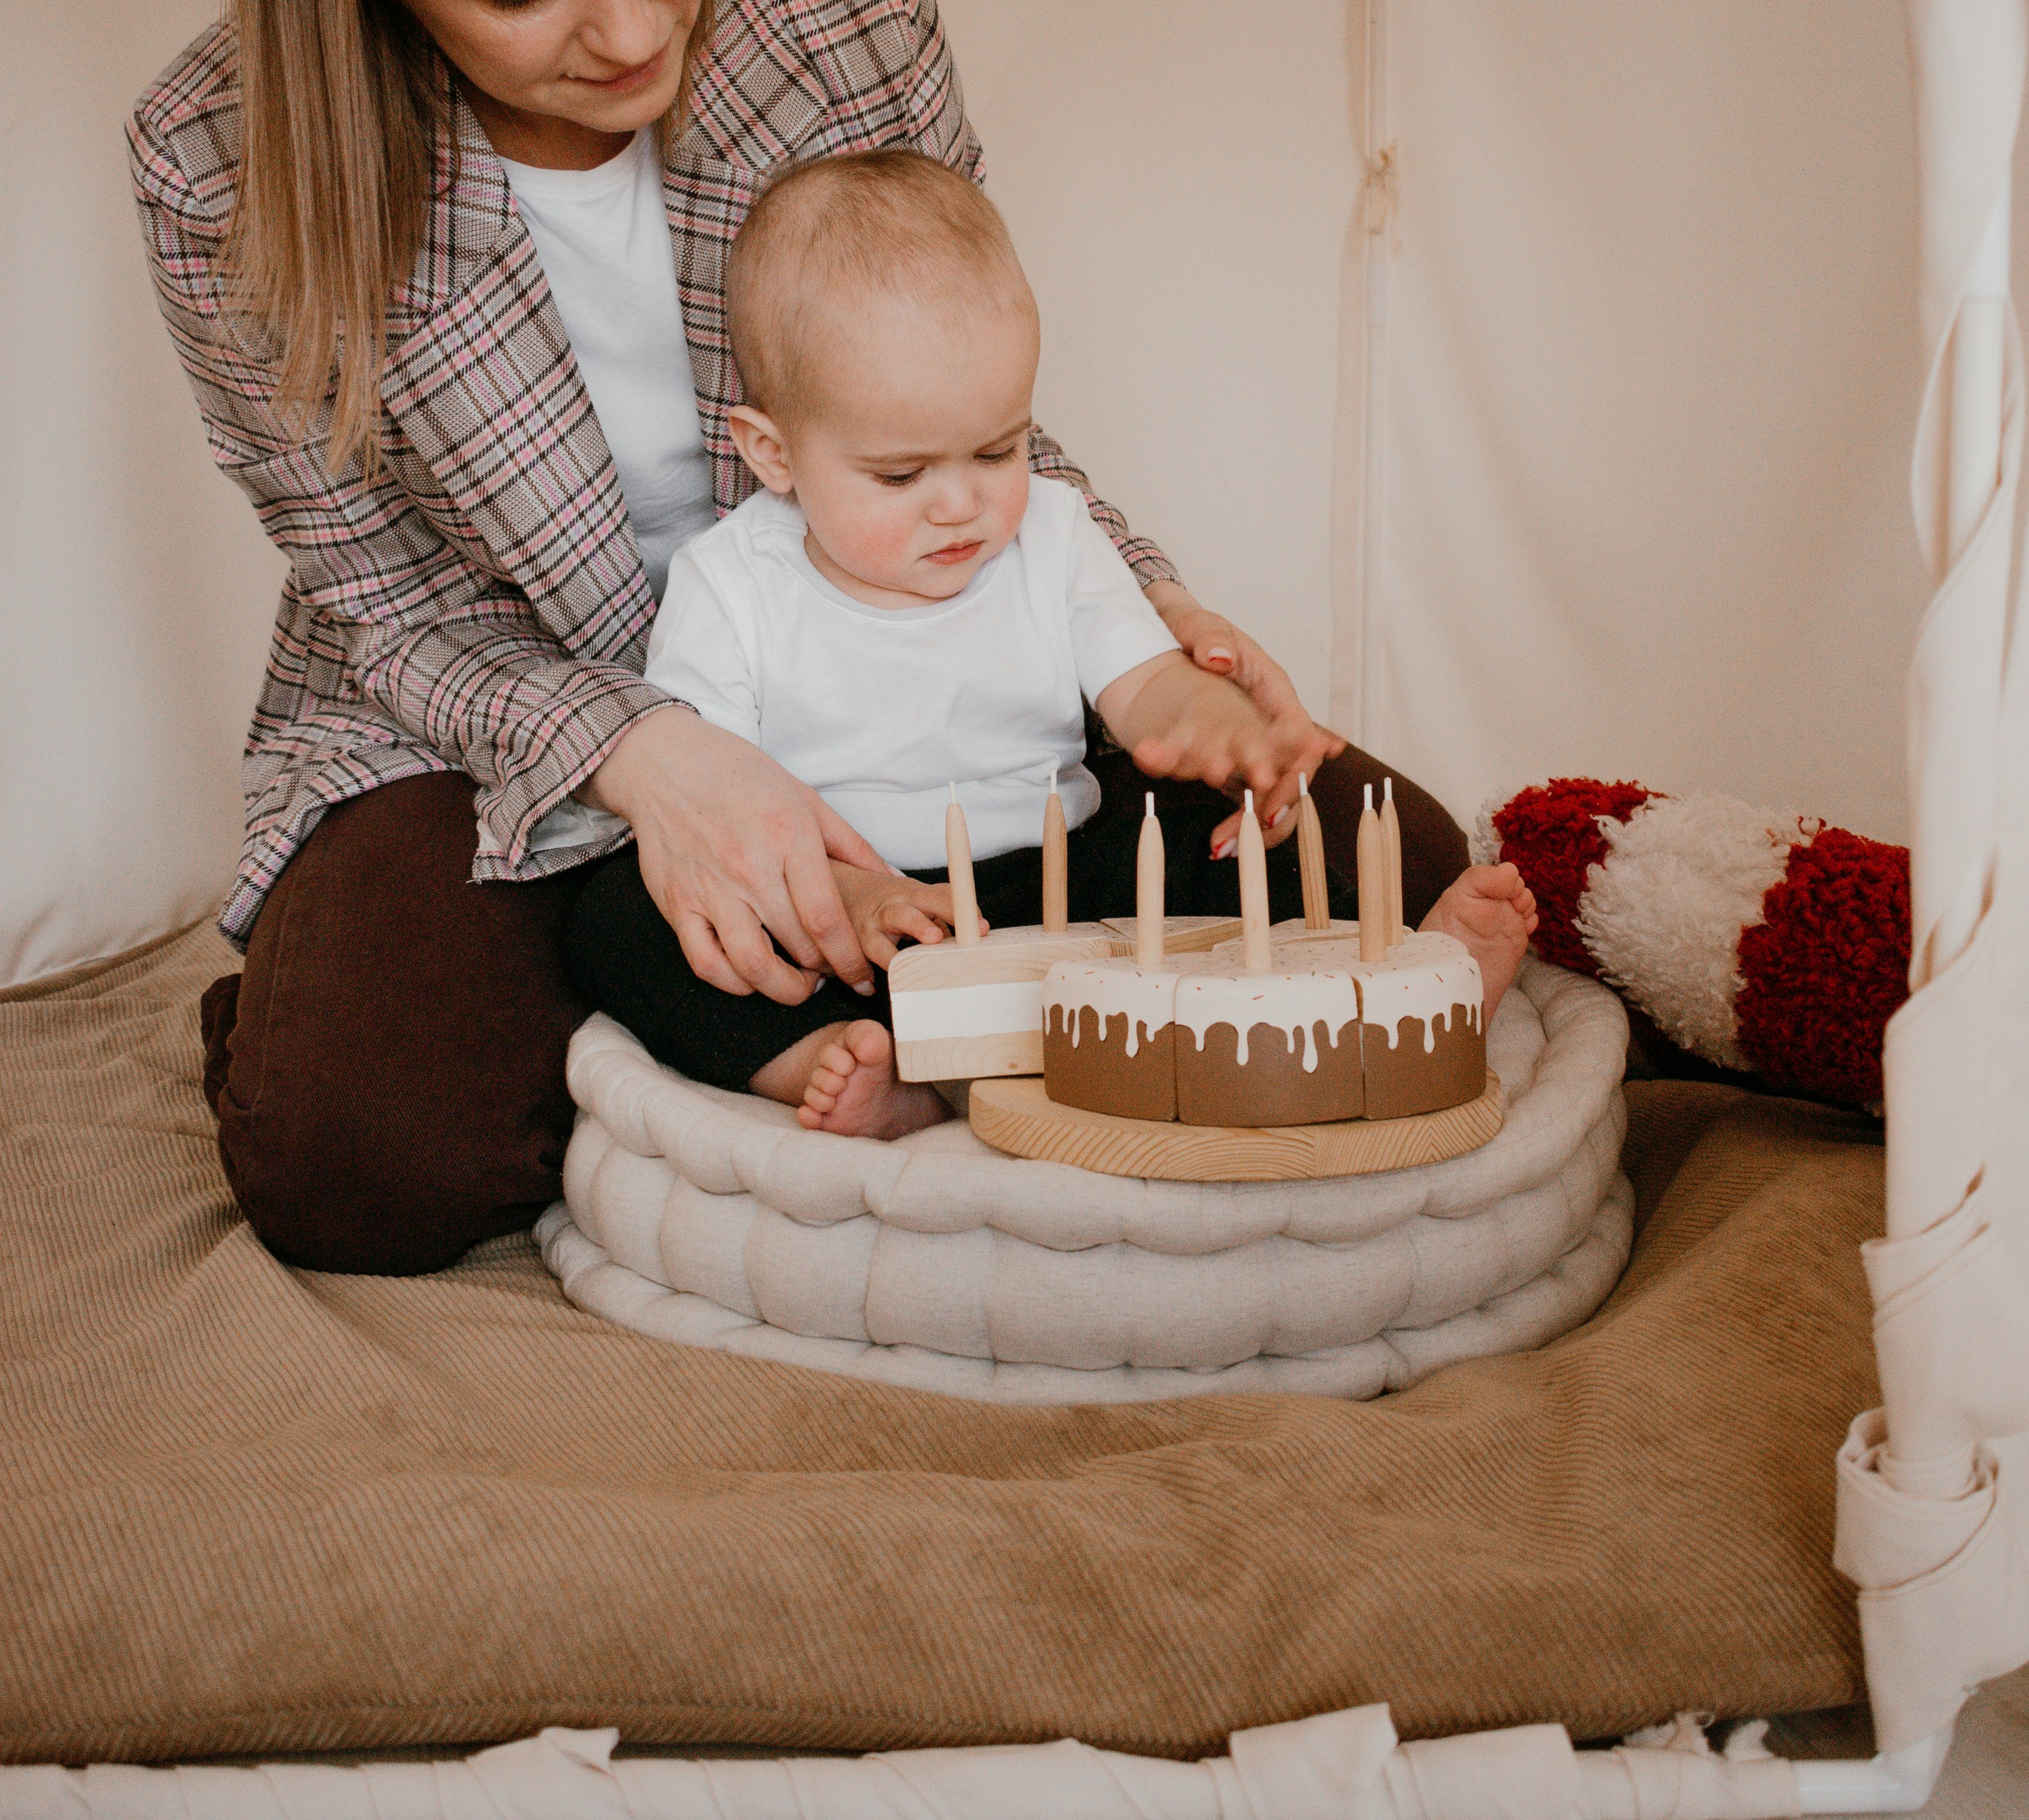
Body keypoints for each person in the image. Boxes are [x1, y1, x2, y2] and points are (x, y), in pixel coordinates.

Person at [129, 0, 1466, 1275]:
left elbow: (952, 384)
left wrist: (1146, 625)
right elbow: (384, 600)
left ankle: (782, 995)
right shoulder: (220, 158)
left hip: (911, 637)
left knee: (1391, 860)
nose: (624, 25)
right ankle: (517, 966)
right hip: (492, 712)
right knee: (359, 1164)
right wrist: (652, 761)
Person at [567, 153, 1537, 1136]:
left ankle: (1405, 991)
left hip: (1066, 884)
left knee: (1224, 836)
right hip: (859, 919)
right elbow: (719, 797)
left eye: (996, 451)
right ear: (773, 453)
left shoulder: (1055, 533)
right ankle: (849, 1066)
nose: (961, 505)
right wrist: (849, 897)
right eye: (899, 475)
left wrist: (1216, 729)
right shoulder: (728, 582)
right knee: (620, 918)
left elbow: (1147, 687)